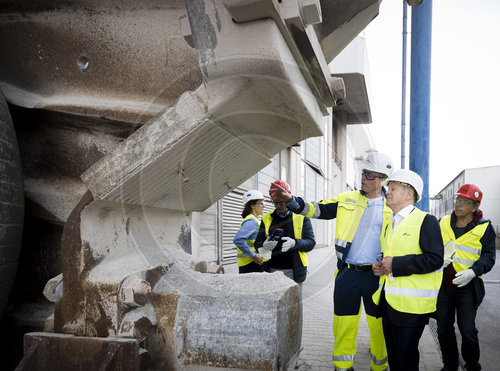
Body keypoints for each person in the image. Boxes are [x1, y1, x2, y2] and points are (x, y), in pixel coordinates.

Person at [269, 151, 393, 371]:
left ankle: (379, 366)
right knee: (344, 323)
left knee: (379, 325)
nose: (363, 178)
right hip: (348, 273)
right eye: (363, 173)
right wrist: (292, 201)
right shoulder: (348, 198)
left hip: (378, 276)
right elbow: (318, 209)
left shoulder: (393, 207)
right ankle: (342, 366)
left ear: (383, 179)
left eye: (370, 175)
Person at [372, 169, 444, 371]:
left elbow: (434, 259)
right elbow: (391, 256)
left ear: (409, 194)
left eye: (393, 188)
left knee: (405, 361)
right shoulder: (390, 222)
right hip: (389, 304)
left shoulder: (425, 220)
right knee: (395, 359)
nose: (388, 192)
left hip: (411, 308)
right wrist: (381, 266)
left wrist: (395, 265)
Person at [436, 184, 496, 371]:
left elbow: (489, 257)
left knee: (468, 329)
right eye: (458, 200)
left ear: (475, 207)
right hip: (443, 286)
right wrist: (438, 259)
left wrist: (473, 271)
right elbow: (432, 246)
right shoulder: (443, 222)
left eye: (464, 201)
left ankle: (472, 365)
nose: (459, 204)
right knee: (443, 328)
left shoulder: (485, 228)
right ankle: (450, 364)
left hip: (468, 287)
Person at [254, 180, 316, 284]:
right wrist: (264, 246)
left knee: (293, 300)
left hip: (294, 271)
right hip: (271, 270)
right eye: (276, 203)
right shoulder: (267, 218)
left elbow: (310, 243)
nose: (278, 207)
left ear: (288, 199)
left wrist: (295, 243)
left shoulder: (301, 216)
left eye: (281, 203)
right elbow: (257, 243)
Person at [233, 189, 266, 274]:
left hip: (251, 263)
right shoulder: (252, 221)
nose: (264, 206)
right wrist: (253, 255)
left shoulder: (255, 220)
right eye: (261, 203)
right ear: (252, 205)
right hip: (250, 264)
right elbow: (238, 240)